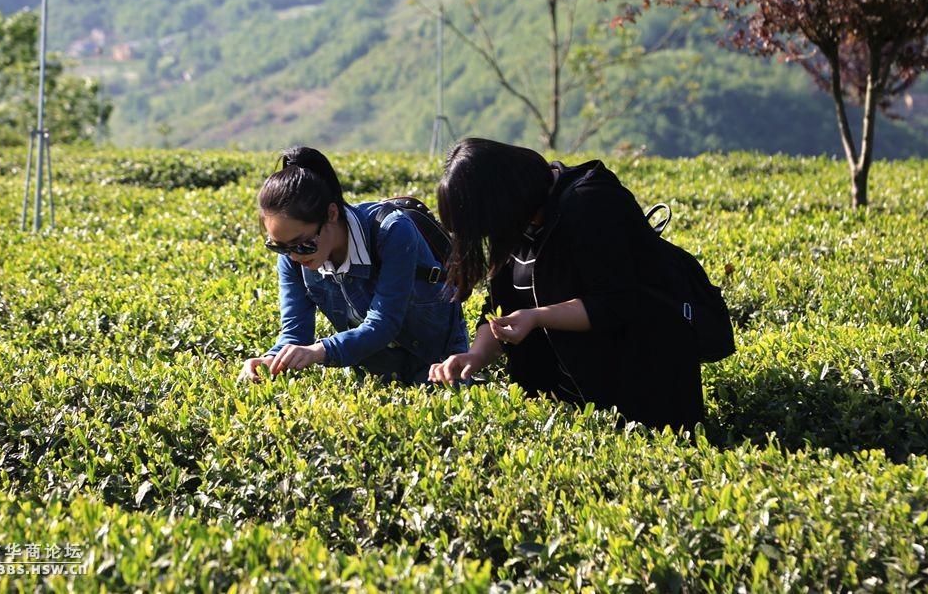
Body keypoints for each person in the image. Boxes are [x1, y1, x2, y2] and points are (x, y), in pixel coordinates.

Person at [428, 137, 704, 431]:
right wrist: (476, 355)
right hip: (566, 406)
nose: (488, 235)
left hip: (640, 393)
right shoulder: (518, 223)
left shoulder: (590, 203)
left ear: (501, 200)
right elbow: (499, 307)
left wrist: (536, 316)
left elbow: (618, 301)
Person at [241, 146, 468, 385]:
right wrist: (270, 360)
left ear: (330, 214)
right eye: (279, 247)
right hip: (374, 373)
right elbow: (295, 333)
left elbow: (384, 322)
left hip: (436, 362)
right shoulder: (291, 255)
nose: (293, 256)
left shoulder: (391, 231)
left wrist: (320, 351)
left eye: (302, 244)